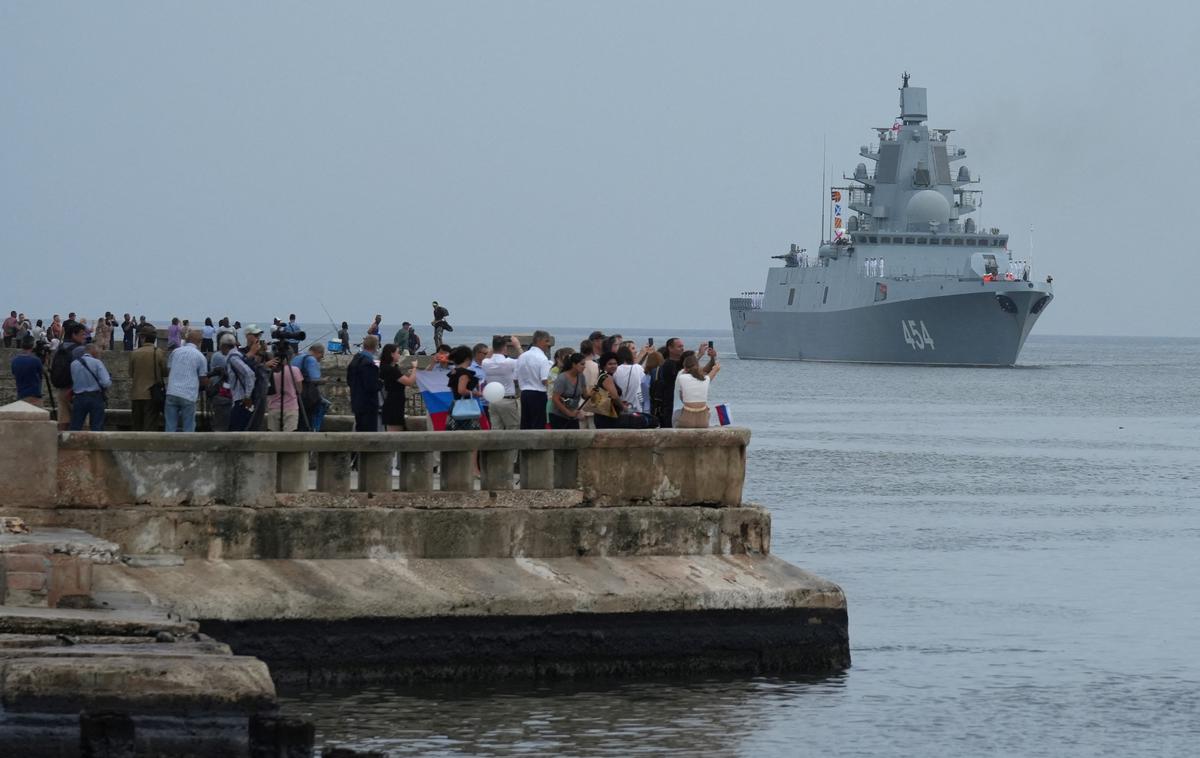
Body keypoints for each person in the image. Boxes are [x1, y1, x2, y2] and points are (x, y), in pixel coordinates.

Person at [164, 332, 208, 432]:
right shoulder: (200, 357)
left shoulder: (175, 352)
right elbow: (203, 379)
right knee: (189, 426)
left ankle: (168, 446)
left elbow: (169, 371)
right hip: (188, 394)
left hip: (172, 391)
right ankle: (187, 447)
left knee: (170, 425)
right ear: (199, 342)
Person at [49, 322, 88, 430]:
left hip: (61, 388)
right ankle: (81, 446)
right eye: (82, 334)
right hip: (74, 390)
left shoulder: (60, 347)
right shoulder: (80, 350)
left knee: (63, 421)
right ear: (74, 335)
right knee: (82, 423)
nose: (84, 337)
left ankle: (61, 445)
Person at [129, 325, 166, 431]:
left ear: (143, 338)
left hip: (136, 394)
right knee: (150, 425)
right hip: (152, 394)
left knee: (136, 425)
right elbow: (164, 372)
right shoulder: (158, 352)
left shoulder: (134, 353)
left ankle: (136, 447)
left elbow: (131, 373)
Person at [481, 335, 523, 430]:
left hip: (493, 401)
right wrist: (517, 345)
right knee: (513, 428)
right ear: (505, 347)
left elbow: (487, 357)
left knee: (496, 428)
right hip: (507, 399)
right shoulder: (509, 362)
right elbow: (524, 360)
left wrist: (495, 344)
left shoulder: (486, 363)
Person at [514, 330, 552, 430]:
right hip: (538, 394)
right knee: (538, 424)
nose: (548, 344)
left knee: (526, 423)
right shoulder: (542, 358)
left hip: (525, 393)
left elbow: (515, 377)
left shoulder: (522, 356)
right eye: (547, 341)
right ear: (539, 341)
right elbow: (545, 380)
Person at [69, 343, 111, 431]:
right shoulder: (97, 362)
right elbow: (106, 382)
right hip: (95, 397)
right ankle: (96, 444)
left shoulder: (73, 364)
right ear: (93, 351)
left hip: (79, 397)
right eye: (97, 351)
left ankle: (73, 444)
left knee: (76, 426)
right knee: (97, 426)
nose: (99, 353)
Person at [675, 352, 721, 428]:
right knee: (708, 411)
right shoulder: (706, 379)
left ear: (685, 367)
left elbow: (682, 398)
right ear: (698, 367)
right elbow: (714, 370)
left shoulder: (681, 377)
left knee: (675, 414)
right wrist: (714, 360)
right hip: (703, 422)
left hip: (686, 421)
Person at [379, 343, 417, 432]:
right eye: (397, 352)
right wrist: (415, 368)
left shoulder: (391, 368)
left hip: (395, 403)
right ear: (392, 354)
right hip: (393, 405)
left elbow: (400, 379)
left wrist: (410, 373)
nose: (399, 355)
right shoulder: (390, 370)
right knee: (395, 434)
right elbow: (410, 382)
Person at [347, 335, 381, 432]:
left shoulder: (356, 358)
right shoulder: (368, 363)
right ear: (376, 346)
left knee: (360, 429)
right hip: (368, 404)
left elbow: (349, 380)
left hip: (356, 401)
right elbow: (371, 386)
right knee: (369, 432)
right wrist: (381, 383)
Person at [445, 345, 482, 431]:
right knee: (467, 431)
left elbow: (452, 389)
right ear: (467, 358)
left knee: (454, 430)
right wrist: (476, 393)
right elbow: (461, 390)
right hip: (465, 407)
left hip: (455, 404)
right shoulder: (464, 373)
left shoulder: (453, 372)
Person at [650, 337, 685, 428]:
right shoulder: (668, 365)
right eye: (679, 346)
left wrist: (711, 359)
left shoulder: (680, 364)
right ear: (670, 348)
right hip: (669, 405)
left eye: (682, 346)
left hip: (678, 404)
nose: (682, 348)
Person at [292, 343, 327, 431]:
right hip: (307, 396)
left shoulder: (296, 358)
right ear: (318, 352)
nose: (321, 358)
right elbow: (314, 379)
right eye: (321, 355)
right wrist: (324, 381)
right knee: (321, 407)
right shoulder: (311, 360)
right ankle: (314, 431)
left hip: (294, 395)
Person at [266, 351, 304, 432]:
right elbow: (299, 390)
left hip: (273, 407)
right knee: (289, 437)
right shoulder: (295, 370)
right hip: (291, 407)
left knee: (272, 437)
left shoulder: (270, 370)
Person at [549, 353, 587, 430]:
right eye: (582, 364)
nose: (584, 366)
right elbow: (555, 399)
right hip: (559, 416)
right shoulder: (562, 378)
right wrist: (569, 413)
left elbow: (585, 394)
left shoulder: (581, 376)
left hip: (573, 415)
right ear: (574, 364)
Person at [589, 352, 627, 430]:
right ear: (604, 365)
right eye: (610, 364)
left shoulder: (602, 375)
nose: (613, 366)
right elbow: (614, 396)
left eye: (615, 363)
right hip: (608, 417)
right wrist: (623, 407)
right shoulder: (607, 377)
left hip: (603, 415)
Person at [208, 333, 237, 432]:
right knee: (221, 423)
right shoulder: (219, 356)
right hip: (220, 392)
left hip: (225, 393)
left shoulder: (224, 355)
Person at [612, 345, 646, 418]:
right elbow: (644, 384)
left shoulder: (615, 370)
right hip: (636, 406)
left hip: (620, 407)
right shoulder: (638, 368)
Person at [11, 335, 44, 406]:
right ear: (32, 345)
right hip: (34, 395)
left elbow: (14, 374)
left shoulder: (15, 361)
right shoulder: (36, 360)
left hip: (20, 394)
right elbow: (41, 375)